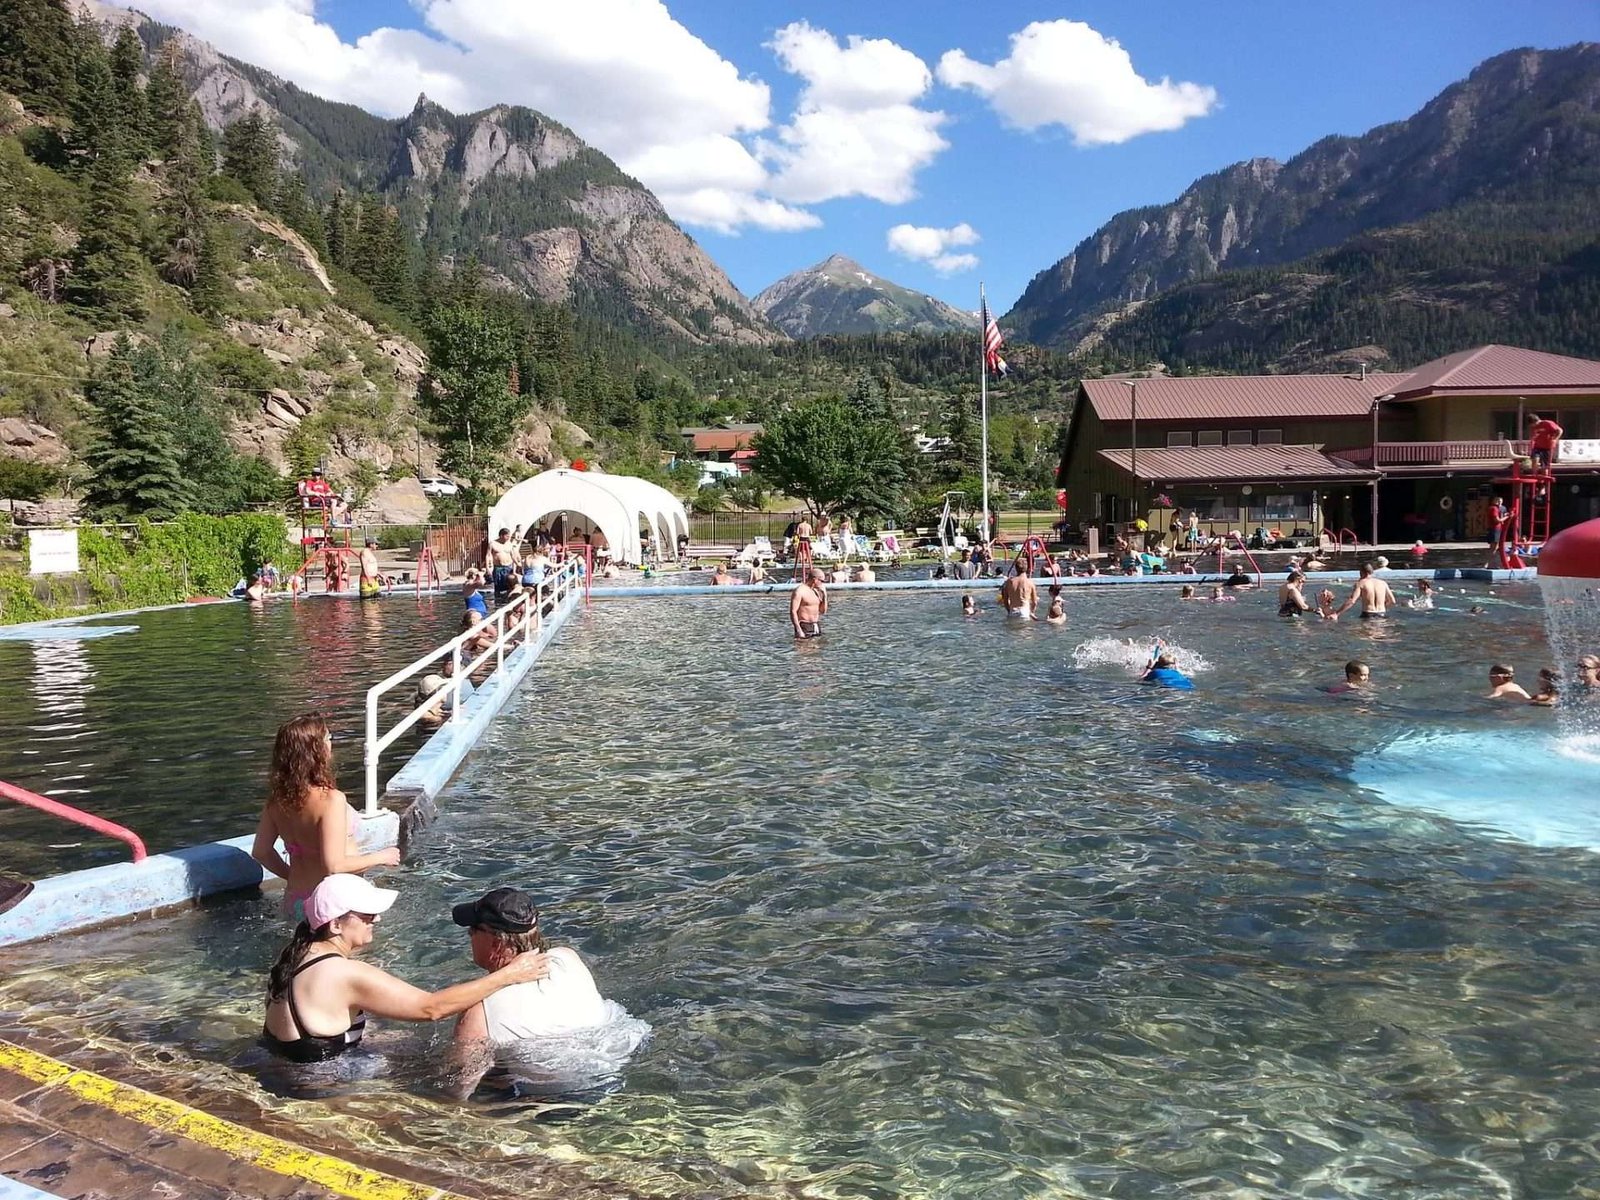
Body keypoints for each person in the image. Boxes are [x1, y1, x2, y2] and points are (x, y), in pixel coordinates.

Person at [261, 875, 549, 1064]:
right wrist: (508, 975)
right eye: (367, 914)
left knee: (407, 1044)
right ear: (335, 924)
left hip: (286, 1064)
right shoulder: (345, 973)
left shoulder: (297, 954)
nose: (377, 919)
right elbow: (431, 1008)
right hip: (316, 1086)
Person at [252, 714, 401, 920]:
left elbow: (261, 852)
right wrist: (382, 857)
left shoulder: (277, 801)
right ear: (316, 750)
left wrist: (291, 876)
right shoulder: (330, 800)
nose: (331, 744)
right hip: (333, 903)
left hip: (295, 899)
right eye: (328, 738)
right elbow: (334, 866)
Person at [449, 888, 609, 1047]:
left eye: (474, 928)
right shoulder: (567, 958)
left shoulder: (478, 1012)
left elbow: (465, 1064)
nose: (469, 933)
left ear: (497, 943)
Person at [791, 567, 827, 639]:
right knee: (804, 645)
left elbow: (823, 611)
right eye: (822, 581)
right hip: (804, 625)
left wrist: (824, 596)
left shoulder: (817, 591)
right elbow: (793, 611)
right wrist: (798, 629)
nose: (822, 583)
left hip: (816, 625)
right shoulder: (800, 591)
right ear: (815, 579)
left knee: (818, 645)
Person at [486, 527, 522, 598]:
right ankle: (498, 600)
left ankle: (509, 599)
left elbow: (513, 555)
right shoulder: (493, 543)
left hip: (508, 567)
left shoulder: (509, 544)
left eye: (509, 536)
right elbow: (488, 555)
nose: (508, 538)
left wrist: (518, 564)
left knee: (510, 586)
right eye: (507, 536)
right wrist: (488, 568)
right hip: (498, 568)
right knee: (498, 587)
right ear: (501, 535)